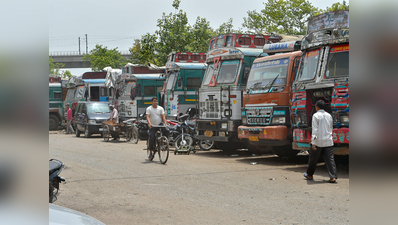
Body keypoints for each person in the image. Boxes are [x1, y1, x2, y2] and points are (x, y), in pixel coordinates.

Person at [303, 100, 338, 183]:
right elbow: (331, 128)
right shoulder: (329, 115)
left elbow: (315, 130)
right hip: (328, 141)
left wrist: (313, 142)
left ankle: (310, 175)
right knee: (330, 160)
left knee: (313, 159)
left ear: (317, 107)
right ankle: (333, 177)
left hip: (318, 141)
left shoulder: (316, 116)